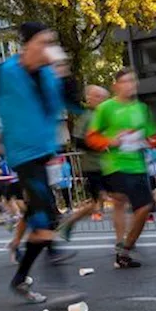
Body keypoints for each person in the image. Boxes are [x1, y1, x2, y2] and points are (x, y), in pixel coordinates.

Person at [0, 22, 84, 302]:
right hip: (23, 155)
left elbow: (75, 105)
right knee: (44, 219)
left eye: (52, 43)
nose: (49, 49)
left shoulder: (49, 76)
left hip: (45, 154)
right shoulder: (4, 73)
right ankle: (56, 284)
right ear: (28, 45)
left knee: (42, 216)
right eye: (44, 42)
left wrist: (64, 69)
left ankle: (21, 278)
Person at [85, 68, 156, 269]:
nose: (131, 85)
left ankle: (125, 249)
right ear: (116, 86)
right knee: (135, 204)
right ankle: (123, 246)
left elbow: (150, 137)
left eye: (133, 81)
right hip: (116, 166)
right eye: (126, 81)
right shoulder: (106, 108)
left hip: (138, 165)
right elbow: (91, 137)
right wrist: (110, 141)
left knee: (144, 207)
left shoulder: (141, 108)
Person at [59, 84, 111, 240]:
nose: (103, 101)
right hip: (93, 166)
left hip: (107, 165)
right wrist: (101, 146)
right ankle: (70, 222)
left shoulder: (103, 115)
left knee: (106, 200)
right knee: (99, 202)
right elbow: (78, 141)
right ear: (91, 99)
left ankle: (124, 237)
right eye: (100, 97)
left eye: (105, 98)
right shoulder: (88, 116)